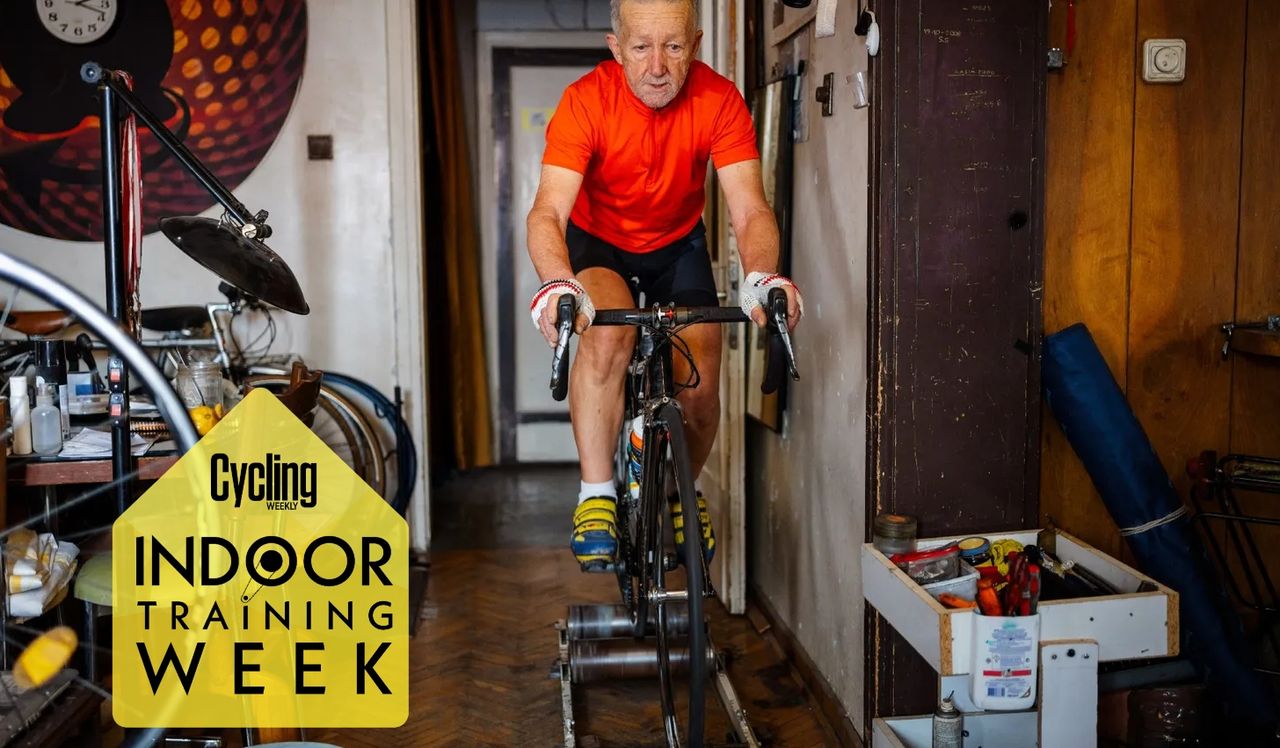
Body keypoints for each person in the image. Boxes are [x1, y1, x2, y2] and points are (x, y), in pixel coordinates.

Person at [526, 0, 803, 569]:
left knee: (700, 387)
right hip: (599, 243)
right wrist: (557, 283)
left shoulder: (719, 99)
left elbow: (750, 209)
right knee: (606, 336)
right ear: (615, 47)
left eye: (673, 47)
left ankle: (680, 490)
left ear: (695, 44)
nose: (657, 65)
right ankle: (596, 493)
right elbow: (548, 213)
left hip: (678, 246)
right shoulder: (585, 101)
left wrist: (762, 275)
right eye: (641, 47)